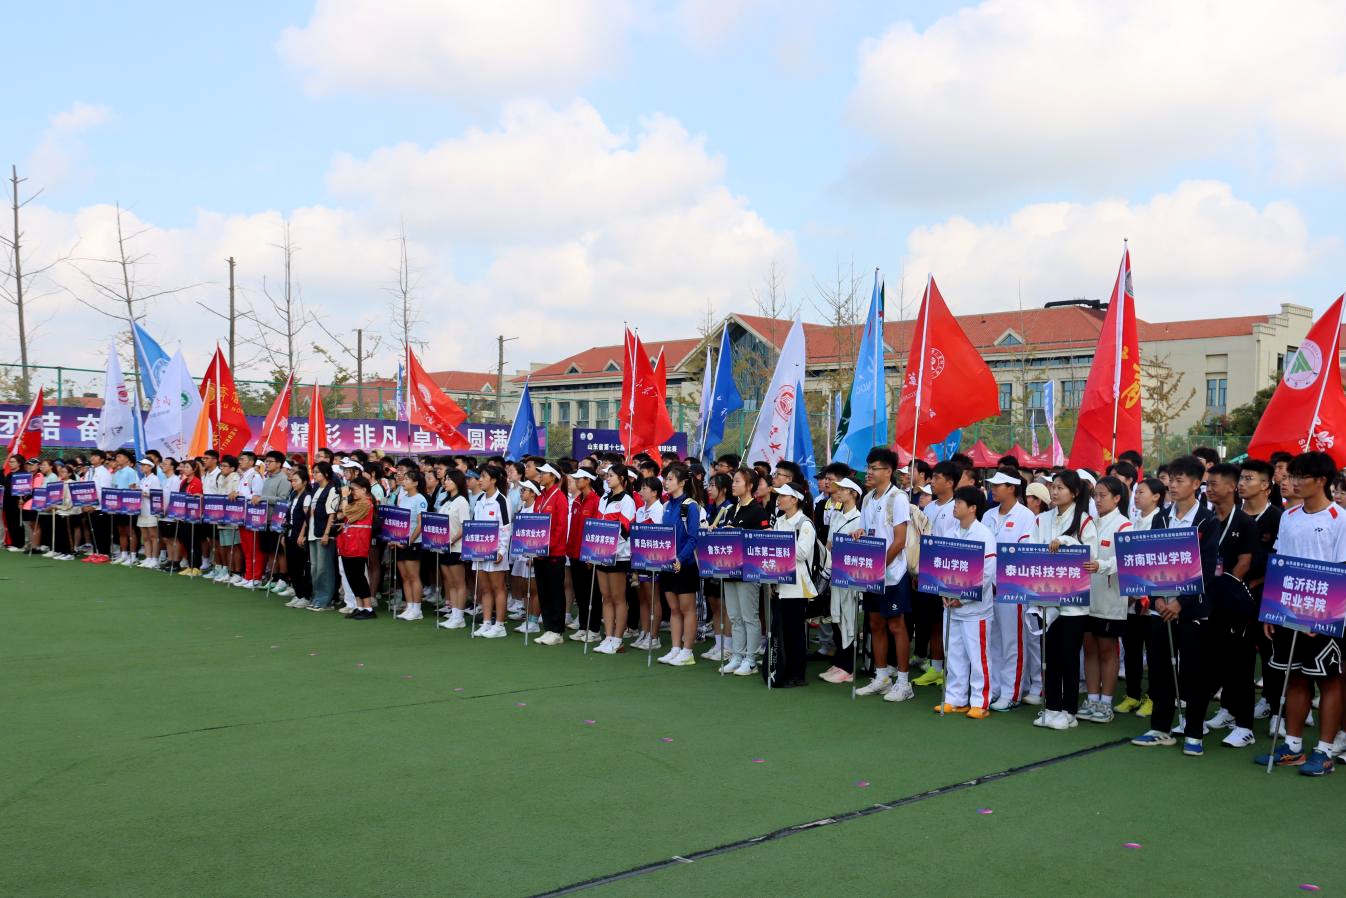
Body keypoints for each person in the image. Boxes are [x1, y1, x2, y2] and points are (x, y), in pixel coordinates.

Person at [1255, 451, 1346, 776]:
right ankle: (1293, 745)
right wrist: (1270, 611)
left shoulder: (1340, 518)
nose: (1290, 482)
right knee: (1294, 676)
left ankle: (1324, 750)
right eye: (1290, 475)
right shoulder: (1289, 516)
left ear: (1320, 481)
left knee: (1328, 680)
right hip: (1289, 611)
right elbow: (1279, 562)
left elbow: (1342, 571)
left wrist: (1321, 616)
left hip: (1325, 616)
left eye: (1298, 476)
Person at [1131, 455, 1220, 755]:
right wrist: (1157, 598)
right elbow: (1151, 559)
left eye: (1180, 480)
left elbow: (1207, 568)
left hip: (1192, 609)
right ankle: (1160, 727)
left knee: (1195, 672)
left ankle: (1194, 732)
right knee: (1159, 669)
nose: (1173, 485)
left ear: (1196, 484)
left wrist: (1181, 602)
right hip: (1161, 607)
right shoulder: (1161, 518)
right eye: (1171, 479)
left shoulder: (1207, 520)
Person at [1032, 469, 1098, 730]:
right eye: (1053, 487)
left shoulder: (1084, 521)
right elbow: (1032, 550)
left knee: (1069, 657)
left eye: (1060, 487)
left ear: (1075, 492)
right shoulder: (1042, 519)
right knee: (1050, 656)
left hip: (1073, 603)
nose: (1055, 491)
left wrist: (1066, 541)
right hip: (1048, 599)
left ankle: (1069, 710)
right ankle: (1052, 706)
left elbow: (1091, 554)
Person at [1199, 463, 1260, 746]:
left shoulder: (1245, 522)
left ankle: (1245, 726)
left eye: (1214, 484)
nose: (1209, 489)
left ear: (1231, 487)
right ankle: (1213, 714)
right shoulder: (1206, 520)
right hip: (1206, 602)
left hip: (1232, 602)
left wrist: (1222, 588)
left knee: (1240, 665)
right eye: (1207, 484)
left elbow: (1244, 563)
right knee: (1209, 662)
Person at [853, 448, 916, 702]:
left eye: (874, 468)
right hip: (872, 574)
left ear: (889, 471)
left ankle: (904, 682)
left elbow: (900, 541)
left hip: (892, 574)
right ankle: (881, 677)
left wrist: (879, 566)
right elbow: (865, 531)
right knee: (875, 623)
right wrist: (858, 535)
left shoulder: (898, 498)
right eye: (868, 467)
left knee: (896, 626)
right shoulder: (868, 498)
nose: (869, 472)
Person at [935, 486, 996, 718]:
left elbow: (987, 574)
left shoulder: (984, 534)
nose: (955, 506)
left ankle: (980, 702)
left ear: (972, 508)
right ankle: (955, 698)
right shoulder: (951, 532)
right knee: (953, 654)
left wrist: (964, 598)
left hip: (975, 609)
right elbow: (941, 566)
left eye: (959, 502)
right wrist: (943, 592)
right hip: (951, 606)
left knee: (978, 657)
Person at [1078, 475, 1132, 724]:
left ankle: (1106, 702)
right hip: (1085, 597)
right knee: (1089, 648)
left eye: (1103, 495)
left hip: (1110, 599)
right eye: (1095, 495)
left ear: (1117, 498)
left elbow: (1124, 560)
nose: (1098, 500)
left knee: (1107, 649)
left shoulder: (1124, 526)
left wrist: (1102, 565)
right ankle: (1092, 698)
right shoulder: (1089, 523)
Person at [982, 469, 1034, 710]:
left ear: (1012, 488)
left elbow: (1023, 553)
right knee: (993, 640)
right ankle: (994, 688)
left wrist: (999, 578)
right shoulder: (988, 515)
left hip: (1012, 589)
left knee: (1013, 641)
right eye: (992, 485)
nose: (993, 489)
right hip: (987, 588)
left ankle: (1012, 692)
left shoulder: (1026, 516)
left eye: (998, 485)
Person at [1237, 459, 1284, 725]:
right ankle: (1232, 708)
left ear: (1266, 485)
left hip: (1266, 596)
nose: (1242, 484)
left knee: (1270, 654)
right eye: (1241, 478)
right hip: (1235, 595)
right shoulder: (1234, 515)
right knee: (1236, 654)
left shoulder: (1278, 518)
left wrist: (1257, 582)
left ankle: (1276, 709)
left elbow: (1279, 561)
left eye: (1249, 479)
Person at [1118, 476, 1163, 717]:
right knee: (1132, 649)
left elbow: (1156, 562)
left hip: (1149, 599)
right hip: (1130, 597)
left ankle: (1153, 697)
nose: (1136, 496)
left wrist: (1142, 592)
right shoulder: (1133, 521)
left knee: (1154, 652)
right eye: (1135, 492)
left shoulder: (1160, 521)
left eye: (1141, 492)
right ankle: (1132, 694)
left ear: (1156, 496)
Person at [913, 460, 958, 686]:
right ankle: (936, 667)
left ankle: (953, 670)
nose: (932, 481)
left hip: (949, 575)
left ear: (950, 483)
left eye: (937, 478)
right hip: (928, 572)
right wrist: (919, 571)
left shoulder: (957, 508)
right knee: (933, 621)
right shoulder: (929, 508)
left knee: (950, 623)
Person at [767, 483, 817, 687]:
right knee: (783, 631)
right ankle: (783, 670)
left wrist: (779, 541)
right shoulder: (779, 521)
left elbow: (802, 554)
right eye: (778, 496)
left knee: (795, 632)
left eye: (783, 496)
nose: (779, 499)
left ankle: (798, 674)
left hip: (797, 586)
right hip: (780, 584)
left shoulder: (805, 524)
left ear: (795, 499)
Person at [819, 477, 865, 684]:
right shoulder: (836, 515)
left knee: (849, 620)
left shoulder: (860, 519)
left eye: (842, 489)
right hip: (835, 574)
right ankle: (840, 662)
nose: (837, 492)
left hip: (850, 577)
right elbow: (829, 545)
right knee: (837, 619)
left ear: (853, 494)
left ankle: (848, 667)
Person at [657, 464, 701, 667]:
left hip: (685, 565)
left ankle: (687, 651)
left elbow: (693, 538)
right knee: (674, 609)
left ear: (682, 482)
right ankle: (675, 648)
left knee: (687, 609)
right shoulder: (666, 505)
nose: (666, 483)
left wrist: (680, 559)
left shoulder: (690, 506)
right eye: (665, 479)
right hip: (667, 564)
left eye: (670, 479)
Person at [593, 465, 637, 654]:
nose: (608, 478)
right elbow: (597, 525)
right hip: (601, 553)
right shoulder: (603, 498)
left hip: (619, 555)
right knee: (606, 597)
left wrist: (609, 543)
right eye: (607, 476)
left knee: (618, 598)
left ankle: (618, 639)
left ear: (622, 479)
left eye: (611, 476)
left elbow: (625, 530)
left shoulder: (627, 501)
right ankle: (608, 637)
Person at [531, 463, 569, 645]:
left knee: (555, 593)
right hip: (539, 553)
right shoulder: (540, 497)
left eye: (543, 473)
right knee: (543, 592)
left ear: (553, 477)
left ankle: (557, 631)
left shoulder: (559, 497)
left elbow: (560, 528)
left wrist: (546, 548)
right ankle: (548, 628)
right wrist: (533, 547)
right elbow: (534, 524)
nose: (540, 476)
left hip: (554, 553)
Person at [567, 468, 602, 644]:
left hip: (588, 555)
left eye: (579, 478)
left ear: (588, 480)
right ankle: (582, 626)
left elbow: (596, 530)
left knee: (592, 593)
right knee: (580, 593)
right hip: (574, 554)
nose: (576, 481)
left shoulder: (596, 501)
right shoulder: (576, 501)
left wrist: (591, 554)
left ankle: (594, 629)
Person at [435, 469, 474, 631]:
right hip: (443, 547)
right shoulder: (446, 501)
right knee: (450, 582)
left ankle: (459, 617)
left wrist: (451, 541)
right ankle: (454, 614)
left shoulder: (462, 501)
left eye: (449, 479)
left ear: (457, 482)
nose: (445, 482)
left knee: (458, 583)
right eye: (445, 479)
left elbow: (465, 526)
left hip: (456, 547)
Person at [338, 475, 377, 619]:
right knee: (351, 576)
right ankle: (359, 606)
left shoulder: (366, 503)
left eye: (354, 489)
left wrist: (344, 497)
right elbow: (341, 514)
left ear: (364, 490)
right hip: (348, 543)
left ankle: (368, 608)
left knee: (359, 576)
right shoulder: (355, 502)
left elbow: (346, 513)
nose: (351, 492)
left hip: (358, 544)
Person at [393, 468, 429, 621]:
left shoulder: (420, 499)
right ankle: (409, 606)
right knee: (405, 577)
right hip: (401, 541)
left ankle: (417, 608)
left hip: (414, 542)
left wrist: (409, 541)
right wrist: (395, 539)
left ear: (415, 483)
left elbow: (421, 524)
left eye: (407, 479)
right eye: (404, 478)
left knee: (414, 576)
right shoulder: (404, 498)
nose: (404, 481)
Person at [305, 462, 341, 611]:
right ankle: (316, 597)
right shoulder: (315, 488)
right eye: (313, 472)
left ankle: (325, 599)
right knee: (314, 568)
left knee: (324, 569)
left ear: (326, 474)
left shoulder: (332, 489)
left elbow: (332, 514)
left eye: (317, 472)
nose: (314, 475)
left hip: (323, 533)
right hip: (313, 532)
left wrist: (327, 533)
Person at [282, 466, 314, 607]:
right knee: (292, 565)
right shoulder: (293, 496)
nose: (293, 483)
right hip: (290, 532)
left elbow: (307, 518)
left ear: (305, 482)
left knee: (300, 565)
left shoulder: (307, 496)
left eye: (296, 481)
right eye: (292, 481)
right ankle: (298, 593)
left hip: (298, 534)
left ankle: (305, 596)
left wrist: (301, 535)